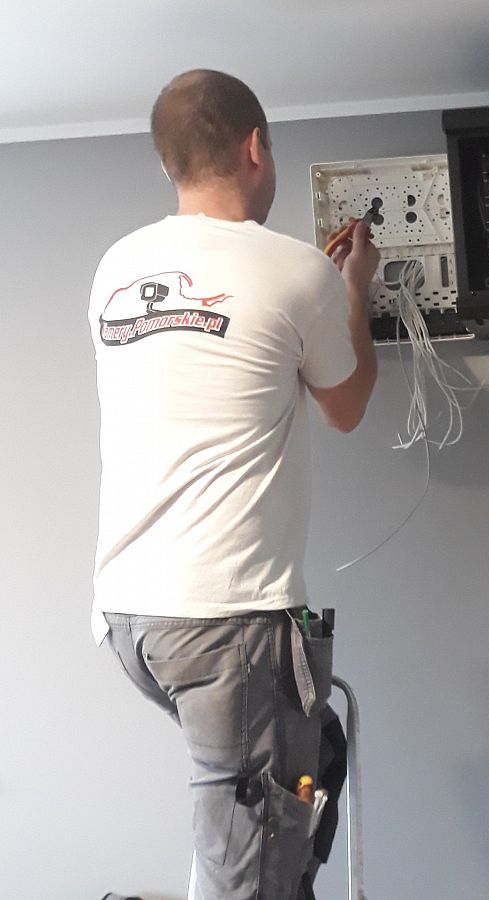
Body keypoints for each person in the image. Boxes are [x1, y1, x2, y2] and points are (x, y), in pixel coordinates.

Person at [88, 69, 379, 899]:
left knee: (303, 766)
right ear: (256, 148)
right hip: (229, 622)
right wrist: (353, 291)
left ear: (169, 164)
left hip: (134, 620)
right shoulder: (296, 271)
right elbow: (346, 406)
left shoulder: (117, 267)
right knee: (251, 864)